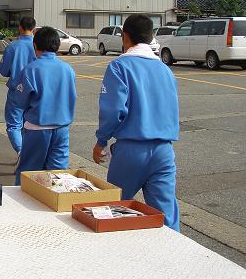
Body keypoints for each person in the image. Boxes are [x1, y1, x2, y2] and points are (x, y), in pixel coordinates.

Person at [92, 14, 180, 232]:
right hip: (164, 151)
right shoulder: (165, 70)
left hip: (131, 150)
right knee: (166, 217)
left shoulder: (119, 66)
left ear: (125, 36)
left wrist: (101, 141)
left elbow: (113, 110)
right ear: (151, 37)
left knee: (113, 210)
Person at [13, 26, 76, 185]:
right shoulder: (68, 69)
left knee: (28, 174)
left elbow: (20, 100)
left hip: (37, 128)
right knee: (58, 176)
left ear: (35, 45)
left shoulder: (31, 69)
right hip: (62, 128)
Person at [0, 16, 36, 158]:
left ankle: (21, 153)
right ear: (34, 29)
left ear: (20, 27)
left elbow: (3, 70)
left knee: (13, 125)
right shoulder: (38, 47)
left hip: (17, 91)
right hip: (35, 92)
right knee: (30, 126)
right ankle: (28, 155)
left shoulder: (12, 47)